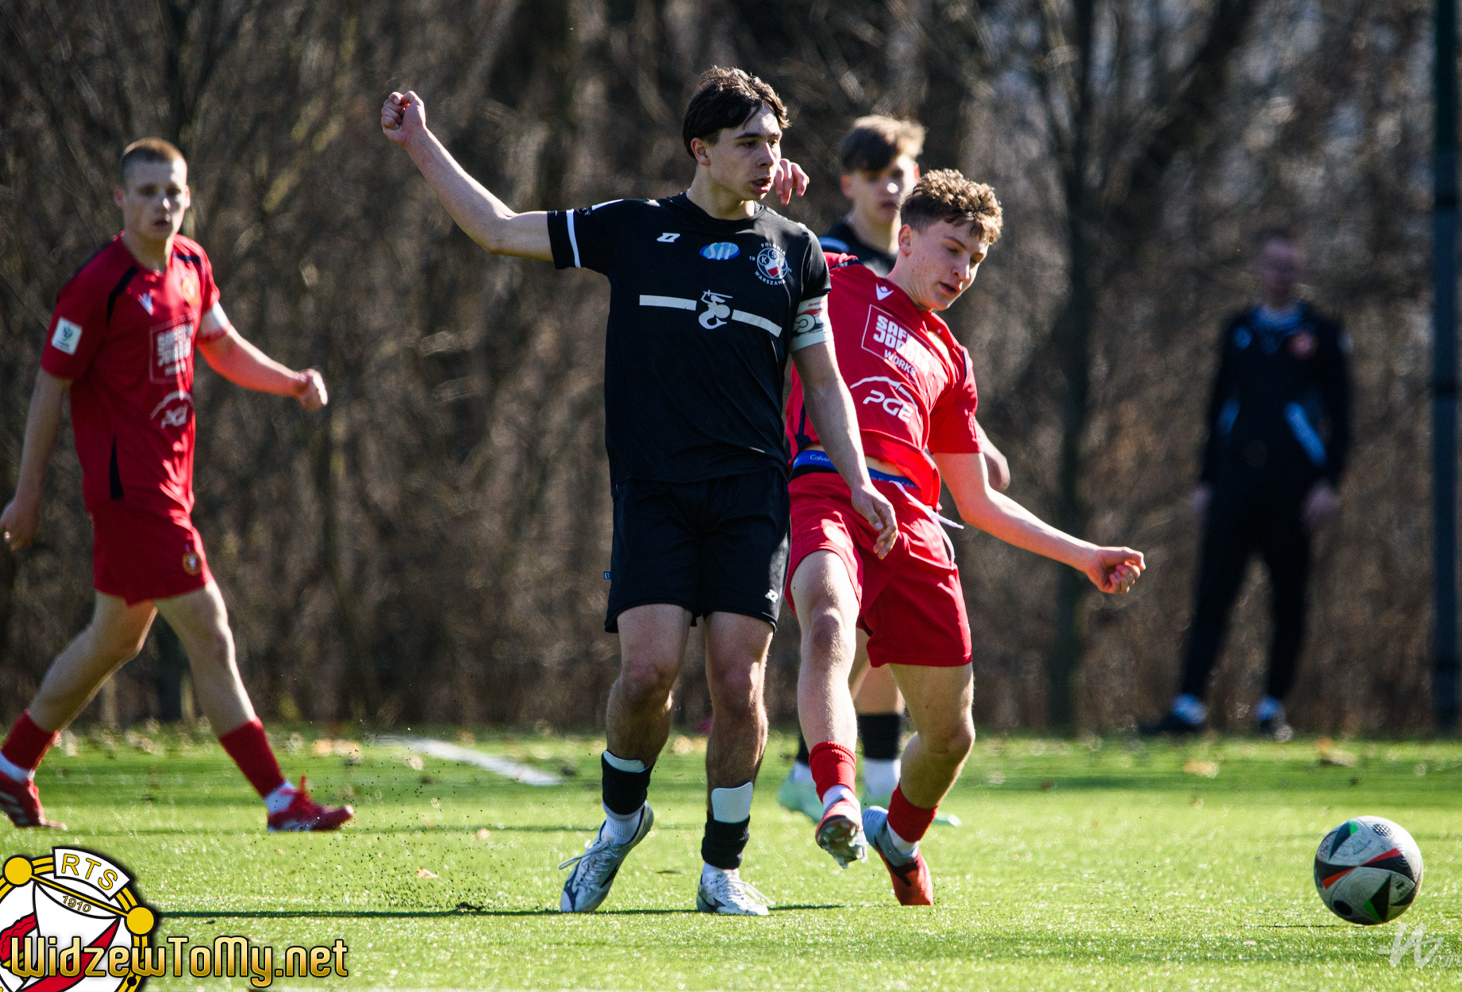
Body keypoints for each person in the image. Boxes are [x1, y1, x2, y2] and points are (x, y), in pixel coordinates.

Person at [381, 68, 897, 916]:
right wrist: (420, 143)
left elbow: (826, 381)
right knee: (648, 671)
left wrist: (860, 481)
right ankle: (621, 821)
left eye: (775, 143)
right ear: (702, 149)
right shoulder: (634, 228)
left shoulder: (795, 250)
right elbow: (497, 229)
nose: (768, 158)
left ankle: (721, 868)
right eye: (749, 143)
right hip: (654, 490)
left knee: (738, 682)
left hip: (750, 495)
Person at [785, 170, 1144, 904]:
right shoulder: (835, 278)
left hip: (916, 528)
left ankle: (899, 838)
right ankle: (838, 796)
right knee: (827, 621)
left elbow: (976, 501)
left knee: (951, 736)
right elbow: (748, 234)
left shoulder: (950, 358)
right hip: (827, 488)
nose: (962, 271)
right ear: (906, 239)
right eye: (951, 250)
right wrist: (767, 177)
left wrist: (1085, 555)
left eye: (975, 260)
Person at [0, 138, 353, 833]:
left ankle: (10, 767)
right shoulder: (98, 285)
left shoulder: (190, 264)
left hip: (169, 486)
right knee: (210, 632)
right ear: (120, 199)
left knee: (113, 639)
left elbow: (221, 345)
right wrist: (27, 492)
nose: (162, 203)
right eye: (147, 191)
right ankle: (281, 800)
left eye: (173, 191)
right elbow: (49, 384)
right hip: (132, 496)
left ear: (188, 198)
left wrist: (291, 382)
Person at [778, 117, 1009, 824]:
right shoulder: (832, 262)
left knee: (888, 654)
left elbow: (915, 379)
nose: (888, 186)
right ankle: (821, 775)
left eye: (899, 173)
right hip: (821, 474)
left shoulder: (937, 326)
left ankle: (877, 782)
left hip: (902, 498)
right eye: (874, 175)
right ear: (848, 184)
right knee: (833, 625)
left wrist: (973, 440)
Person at [1143, 227, 1351, 741]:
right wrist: (1205, 480)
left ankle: (1272, 709)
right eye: (1273, 264)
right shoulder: (1238, 330)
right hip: (1234, 486)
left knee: (1288, 601)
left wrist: (1329, 484)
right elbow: (1217, 409)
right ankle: (1188, 707)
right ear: (1259, 267)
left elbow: (1344, 418)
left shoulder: (1322, 335)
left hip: (1294, 492)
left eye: (1290, 266)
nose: (1281, 275)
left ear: (1300, 271)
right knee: (1212, 595)